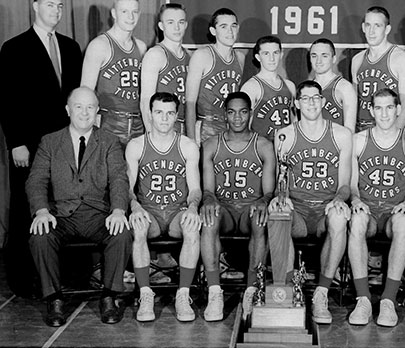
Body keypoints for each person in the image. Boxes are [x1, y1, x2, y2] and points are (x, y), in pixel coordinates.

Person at [0, 0, 82, 298]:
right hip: (29, 145)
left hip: (64, 145)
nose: (56, 11)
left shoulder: (70, 47)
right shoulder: (15, 47)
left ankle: (63, 275)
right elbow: (6, 100)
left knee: (62, 206)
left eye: (60, 6)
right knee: (26, 207)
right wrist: (15, 142)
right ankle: (23, 279)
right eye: (50, 5)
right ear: (36, 7)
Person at [25, 87, 132, 326]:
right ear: (67, 110)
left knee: (122, 232)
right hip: (62, 215)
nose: (84, 113)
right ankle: (54, 299)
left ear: (97, 112)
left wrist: (117, 210)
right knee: (40, 235)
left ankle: (109, 297)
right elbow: (36, 179)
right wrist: (41, 211)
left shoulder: (109, 141)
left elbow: (118, 178)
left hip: (97, 215)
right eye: (78, 107)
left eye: (90, 107)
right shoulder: (50, 141)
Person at [269, 80, 353, 324]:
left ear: (323, 101)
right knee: (278, 212)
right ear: (297, 104)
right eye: (305, 98)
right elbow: (280, 182)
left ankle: (321, 293)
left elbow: (345, 184)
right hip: (299, 210)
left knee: (339, 215)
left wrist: (338, 199)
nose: (311, 103)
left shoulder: (341, 134)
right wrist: (281, 197)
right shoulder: (284, 134)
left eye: (316, 97)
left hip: (325, 210)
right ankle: (284, 291)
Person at [347, 89, 405, 326]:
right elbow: (351, 184)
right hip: (368, 211)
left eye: (389, 107)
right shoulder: (358, 140)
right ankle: (363, 299)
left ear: (398, 109)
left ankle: (388, 300)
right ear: (370, 110)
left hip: (393, 212)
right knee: (357, 219)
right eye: (378, 107)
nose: (384, 113)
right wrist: (356, 200)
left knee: (403, 222)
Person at [126, 92, 202, 322]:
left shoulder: (187, 146)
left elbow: (195, 189)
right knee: (138, 228)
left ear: (177, 115)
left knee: (192, 228)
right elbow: (128, 189)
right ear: (150, 114)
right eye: (159, 112)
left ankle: (183, 293)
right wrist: (135, 207)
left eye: (170, 113)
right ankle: (145, 294)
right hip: (149, 213)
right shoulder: (136, 145)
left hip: (177, 211)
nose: (164, 119)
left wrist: (192, 208)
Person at [200, 91, 276, 321]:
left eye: (243, 112)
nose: (237, 118)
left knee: (261, 219)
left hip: (248, 209)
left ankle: (252, 290)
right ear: (225, 115)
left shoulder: (263, 145)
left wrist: (264, 200)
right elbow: (208, 190)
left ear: (250, 114)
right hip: (225, 208)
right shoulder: (211, 144)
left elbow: (269, 191)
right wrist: (208, 198)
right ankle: (215, 292)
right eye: (232, 112)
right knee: (209, 218)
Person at [80, 0, 147, 146]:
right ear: (114, 13)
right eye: (124, 11)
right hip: (109, 122)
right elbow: (85, 91)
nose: (130, 17)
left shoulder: (141, 47)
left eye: (134, 12)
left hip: (138, 123)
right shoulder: (100, 45)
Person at [351, 6, 405, 132]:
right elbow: (353, 104)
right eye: (368, 25)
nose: (371, 31)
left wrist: (391, 135)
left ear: (387, 29)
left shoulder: (400, 58)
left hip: (388, 129)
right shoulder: (357, 60)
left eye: (377, 26)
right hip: (361, 130)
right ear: (363, 27)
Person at [185, 8, 244, 145]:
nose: (230, 31)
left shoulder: (240, 58)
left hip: (231, 126)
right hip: (207, 126)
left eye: (233, 26)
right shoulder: (202, 55)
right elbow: (190, 102)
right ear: (213, 31)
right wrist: (191, 140)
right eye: (223, 26)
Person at [140, 3, 190, 135]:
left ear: (186, 24)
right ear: (161, 26)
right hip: (163, 128)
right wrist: (152, 136)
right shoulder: (156, 54)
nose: (177, 27)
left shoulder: (190, 55)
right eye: (170, 22)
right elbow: (146, 101)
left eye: (181, 22)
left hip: (185, 126)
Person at [240, 35, 296, 142]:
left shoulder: (290, 86)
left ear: (281, 55)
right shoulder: (251, 87)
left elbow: (293, 121)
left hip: (285, 146)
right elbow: (244, 127)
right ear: (258, 57)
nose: (272, 58)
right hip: (262, 148)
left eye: (275, 53)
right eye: (266, 53)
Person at [309, 38, 357, 131]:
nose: (318, 61)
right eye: (314, 56)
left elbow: (350, 130)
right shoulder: (307, 88)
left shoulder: (344, 87)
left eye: (324, 56)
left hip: (335, 143)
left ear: (333, 58)